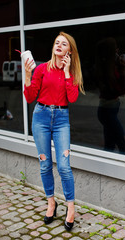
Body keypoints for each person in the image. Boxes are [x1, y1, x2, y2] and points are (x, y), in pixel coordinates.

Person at [23, 32, 84, 231]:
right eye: (57, 42)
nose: (59, 45)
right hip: (40, 117)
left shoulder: (71, 73)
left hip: (61, 120)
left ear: (69, 50)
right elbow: (30, 96)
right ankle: (51, 203)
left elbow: (72, 98)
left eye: (63, 43)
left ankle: (71, 208)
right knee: (45, 164)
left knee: (64, 166)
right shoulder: (41, 69)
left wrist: (66, 72)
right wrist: (27, 75)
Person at [95, 38, 125, 153]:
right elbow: (120, 90)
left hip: (109, 109)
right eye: (115, 48)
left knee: (110, 144)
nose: (117, 50)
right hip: (107, 111)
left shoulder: (109, 67)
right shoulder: (106, 70)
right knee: (122, 142)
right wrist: (123, 69)